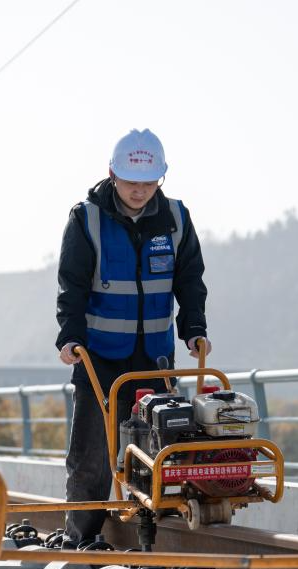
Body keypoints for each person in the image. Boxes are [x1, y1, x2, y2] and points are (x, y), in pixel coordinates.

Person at [55, 129, 211, 547]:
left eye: (148, 182)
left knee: (157, 452)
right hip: (99, 358)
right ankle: (80, 539)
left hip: (155, 360)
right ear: (112, 175)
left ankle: (155, 540)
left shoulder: (176, 218)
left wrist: (194, 329)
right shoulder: (87, 219)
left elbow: (189, 279)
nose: (139, 191)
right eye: (130, 182)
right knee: (92, 456)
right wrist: (69, 337)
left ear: (160, 178)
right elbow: (72, 285)